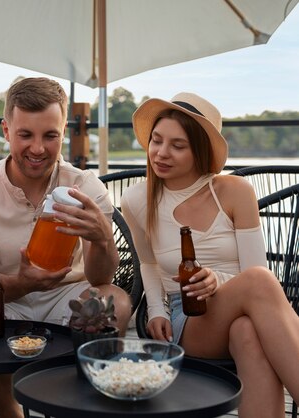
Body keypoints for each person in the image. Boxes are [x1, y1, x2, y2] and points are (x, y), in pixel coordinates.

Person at [0, 77, 132, 418]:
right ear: (6, 130)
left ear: (64, 131)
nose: (37, 149)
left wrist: (102, 236)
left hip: (69, 300)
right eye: (25, 135)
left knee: (114, 302)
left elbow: (101, 277)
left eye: (50, 136)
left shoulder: (84, 185)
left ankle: (76, 409)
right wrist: (29, 282)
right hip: (6, 303)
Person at [121, 92, 299, 417]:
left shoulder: (233, 192)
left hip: (247, 308)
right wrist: (157, 312)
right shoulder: (136, 200)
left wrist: (218, 281)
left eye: (178, 145)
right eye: (156, 140)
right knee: (259, 282)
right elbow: (147, 262)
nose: (161, 153)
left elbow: (254, 271)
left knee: (247, 333)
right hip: (189, 318)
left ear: (200, 151)